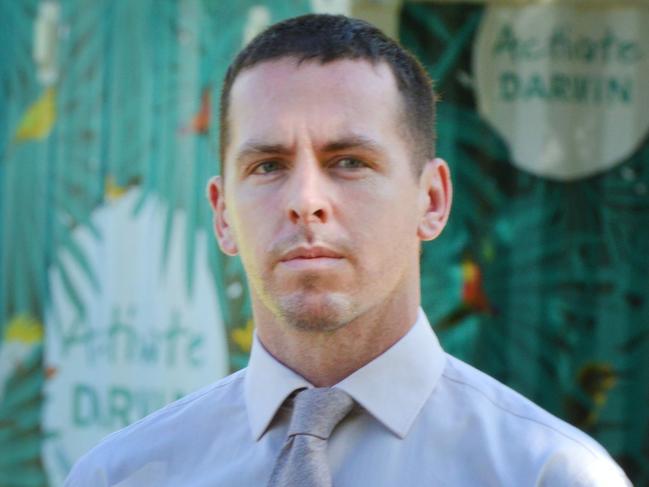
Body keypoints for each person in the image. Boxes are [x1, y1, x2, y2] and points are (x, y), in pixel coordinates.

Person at [65, 14, 630, 486]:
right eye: (267, 166)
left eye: (349, 162)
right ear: (222, 215)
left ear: (431, 200)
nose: (305, 201)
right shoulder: (117, 476)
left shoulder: (548, 474)